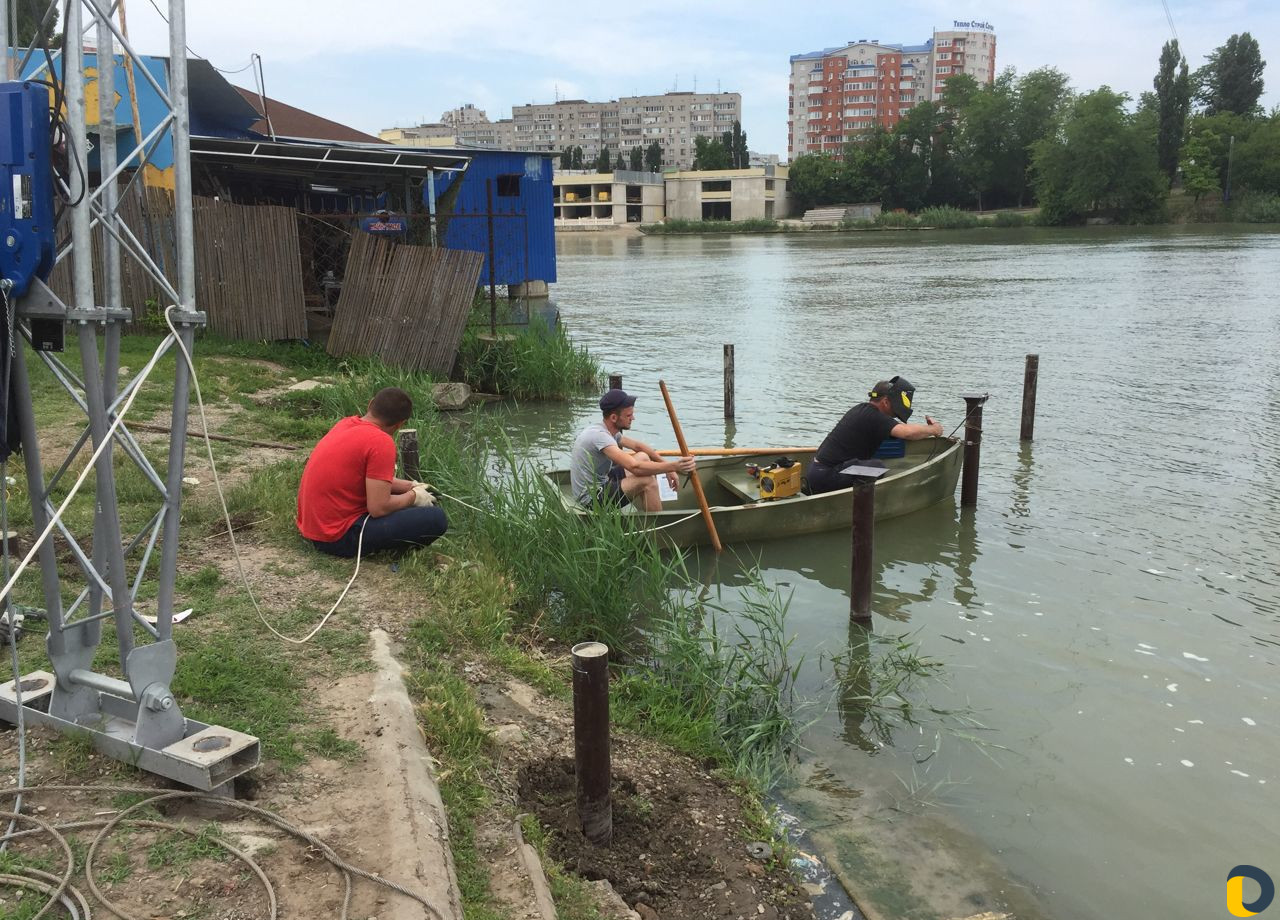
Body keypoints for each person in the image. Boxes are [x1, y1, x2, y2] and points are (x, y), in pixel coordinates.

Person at [296, 387, 447, 557]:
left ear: (370, 404)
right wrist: (414, 497)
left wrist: (411, 486)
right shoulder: (381, 442)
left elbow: (372, 480)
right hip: (337, 538)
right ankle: (395, 552)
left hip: (313, 528)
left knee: (412, 509)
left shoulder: (346, 423)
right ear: (400, 424)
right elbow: (378, 508)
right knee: (436, 518)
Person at [804, 376, 944, 495]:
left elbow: (902, 433)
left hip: (818, 472)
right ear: (885, 402)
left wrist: (923, 432)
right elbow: (907, 432)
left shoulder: (863, 410)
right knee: (876, 467)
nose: (894, 415)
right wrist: (934, 429)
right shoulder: (873, 416)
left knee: (874, 463)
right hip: (826, 476)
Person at [570, 388, 696, 511]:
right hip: (591, 499)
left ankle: (648, 507)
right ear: (614, 418)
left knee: (643, 456)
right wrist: (674, 466)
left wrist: (664, 464)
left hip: (603, 480)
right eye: (629, 415)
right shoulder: (601, 437)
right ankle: (657, 529)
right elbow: (634, 467)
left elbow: (638, 447)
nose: (633, 418)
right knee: (648, 481)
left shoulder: (607, 430)